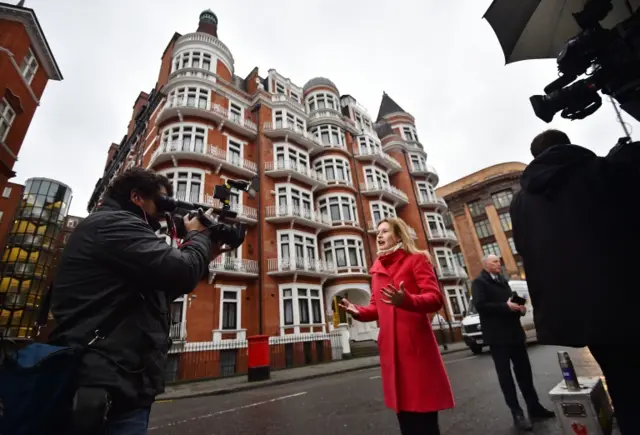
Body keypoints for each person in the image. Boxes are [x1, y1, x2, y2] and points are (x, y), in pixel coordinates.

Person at [48, 168, 223, 434]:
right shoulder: (112, 225)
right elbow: (182, 273)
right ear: (136, 197)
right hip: (102, 381)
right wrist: (197, 236)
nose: (165, 212)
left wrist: (205, 255)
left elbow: (160, 295)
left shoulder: (117, 230)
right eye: (162, 202)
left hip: (123, 383)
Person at [510, 129, 640, 435]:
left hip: (584, 315)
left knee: (623, 387)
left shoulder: (521, 202)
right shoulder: (603, 170)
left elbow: (526, 248)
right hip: (628, 296)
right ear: (567, 145)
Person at [339, 217, 454, 435]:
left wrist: (408, 300)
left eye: (384, 231)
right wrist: (359, 311)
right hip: (392, 352)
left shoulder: (416, 260)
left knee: (424, 417)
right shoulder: (377, 270)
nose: (379, 236)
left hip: (416, 348)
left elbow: (435, 298)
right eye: (377, 233)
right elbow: (376, 306)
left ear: (398, 235)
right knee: (405, 419)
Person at [472, 255, 554, 431]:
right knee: (506, 377)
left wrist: (521, 308)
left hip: (515, 334)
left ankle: (534, 407)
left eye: (498, 261)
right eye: (494, 262)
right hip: (497, 338)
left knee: (524, 373)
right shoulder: (479, 283)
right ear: (485, 264)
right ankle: (517, 413)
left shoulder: (503, 280)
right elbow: (481, 305)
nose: (498, 264)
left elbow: (512, 300)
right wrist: (505, 307)